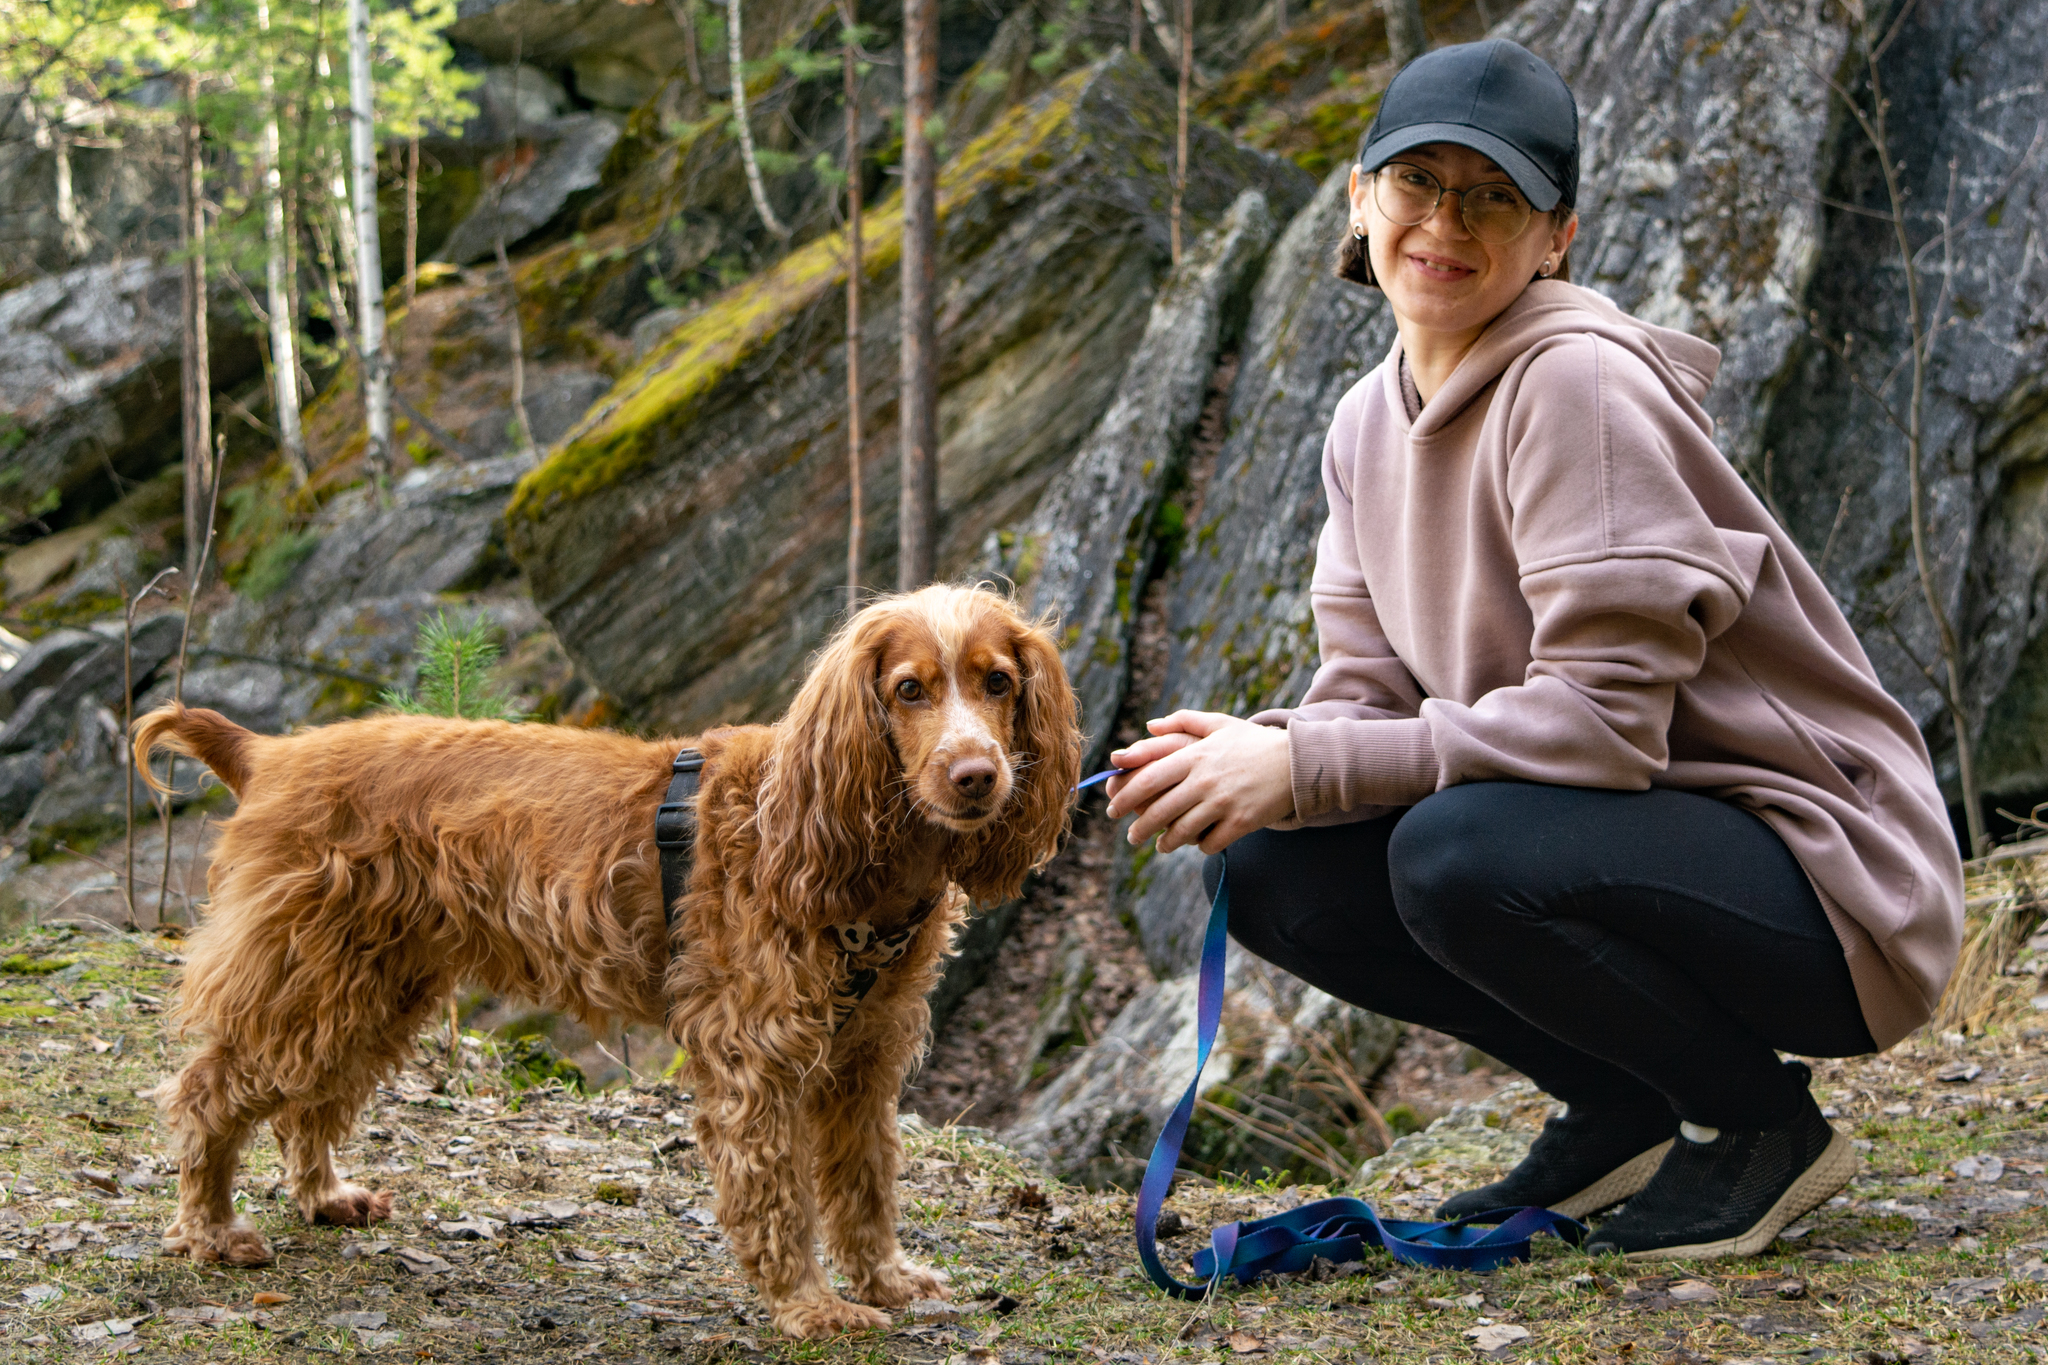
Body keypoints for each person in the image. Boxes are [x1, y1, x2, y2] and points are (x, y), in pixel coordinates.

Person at [1102, 37, 1964, 1260]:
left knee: (1453, 853)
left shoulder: (1574, 388)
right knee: (1274, 869)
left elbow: (1602, 729)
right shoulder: (1363, 420)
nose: (1444, 222)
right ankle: (1623, 1106)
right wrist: (1265, 753)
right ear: (1358, 197)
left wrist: (1306, 768)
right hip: (1628, 843)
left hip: (1827, 886)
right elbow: (1365, 690)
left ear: (1553, 235)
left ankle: (1760, 1127)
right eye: (1416, 183)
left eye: (1492, 196)